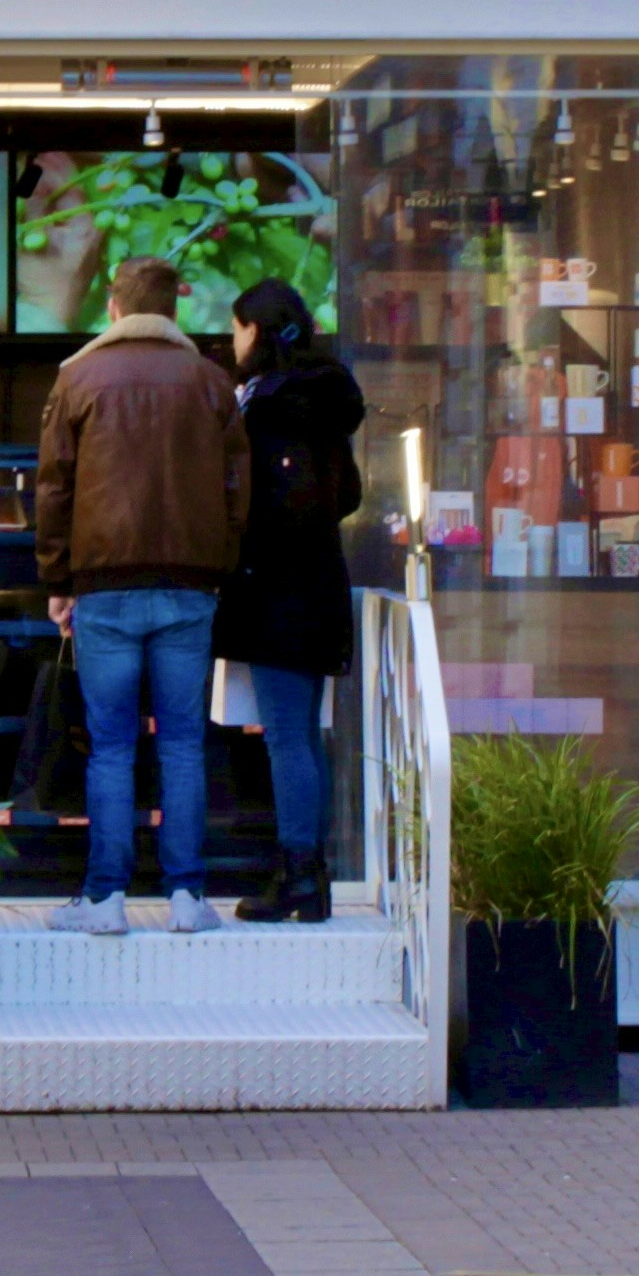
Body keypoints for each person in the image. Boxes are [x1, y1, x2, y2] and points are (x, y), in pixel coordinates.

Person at [33, 257, 248, 935]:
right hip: (190, 586)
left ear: (114, 308)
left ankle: (106, 899)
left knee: (111, 746)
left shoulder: (77, 377)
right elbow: (237, 492)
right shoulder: (212, 382)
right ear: (174, 310)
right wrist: (218, 566)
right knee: (183, 744)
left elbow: (54, 488)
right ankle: (186, 895)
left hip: (104, 585)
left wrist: (58, 580)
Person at [213, 278, 364, 923]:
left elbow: (264, 503)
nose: (231, 341)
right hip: (317, 586)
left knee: (286, 738)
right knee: (301, 734)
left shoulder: (270, 408)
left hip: (279, 592)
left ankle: (299, 873)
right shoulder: (322, 403)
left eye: (237, 328)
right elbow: (347, 495)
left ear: (259, 331)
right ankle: (311, 877)